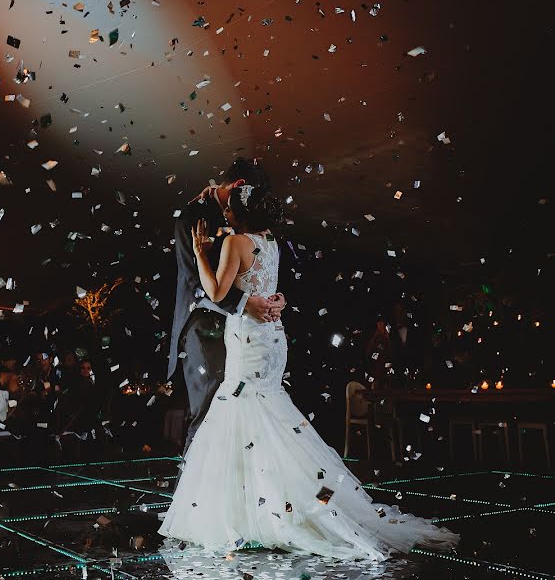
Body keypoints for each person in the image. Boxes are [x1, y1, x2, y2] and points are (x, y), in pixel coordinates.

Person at [159, 181, 459, 559]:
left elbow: (217, 293)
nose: (226, 216)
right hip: (271, 337)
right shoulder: (270, 243)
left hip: (250, 339)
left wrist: (202, 254)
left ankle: (253, 509)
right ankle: (270, 501)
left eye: (230, 210)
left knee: (244, 409)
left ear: (239, 212)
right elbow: (264, 287)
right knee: (266, 411)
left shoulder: (236, 243)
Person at [169, 157, 286, 458]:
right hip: (205, 325)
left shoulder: (253, 223)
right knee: (212, 409)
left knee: (250, 410)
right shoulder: (193, 215)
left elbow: (261, 267)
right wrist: (246, 304)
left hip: (249, 333)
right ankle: (193, 497)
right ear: (239, 187)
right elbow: (196, 282)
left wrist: (277, 298)